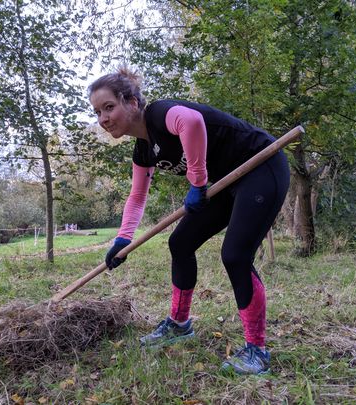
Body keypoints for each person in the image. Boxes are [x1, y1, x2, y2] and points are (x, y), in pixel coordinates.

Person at [89, 68, 290, 375]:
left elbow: (192, 122)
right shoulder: (143, 150)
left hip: (261, 164)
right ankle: (179, 324)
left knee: (235, 255)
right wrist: (123, 240)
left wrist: (197, 182)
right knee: (180, 242)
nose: (103, 118)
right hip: (226, 182)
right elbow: (137, 197)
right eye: (97, 112)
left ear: (131, 102)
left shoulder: (159, 113)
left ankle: (257, 351)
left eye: (108, 107)